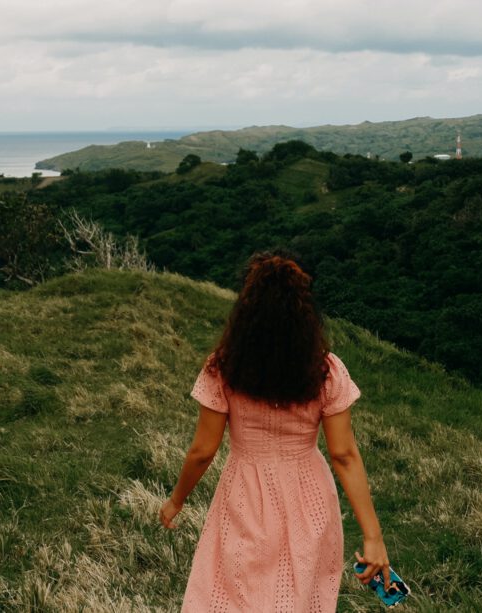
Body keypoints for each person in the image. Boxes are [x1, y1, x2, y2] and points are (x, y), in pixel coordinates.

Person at [159, 250, 392, 612]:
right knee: (296, 598)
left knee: (234, 597)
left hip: (244, 494)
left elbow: (203, 450)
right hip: (309, 495)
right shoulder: (324, 370)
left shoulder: (223, 367)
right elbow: (344, 455)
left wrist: (177, 500)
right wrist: (373, 536)